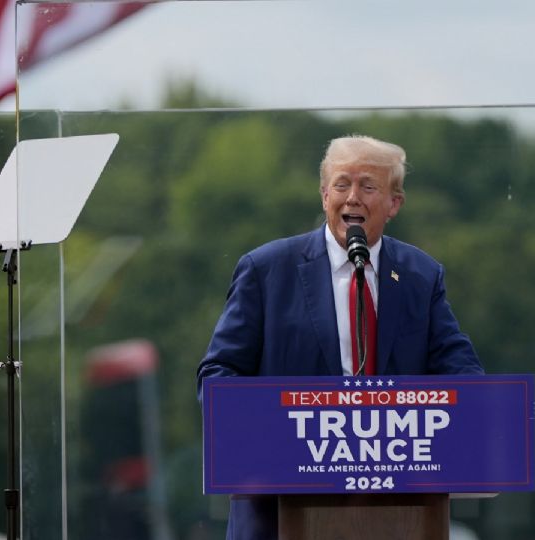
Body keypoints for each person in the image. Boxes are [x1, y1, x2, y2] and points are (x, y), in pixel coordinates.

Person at [197, 135, 483, 539]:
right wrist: (272, 430)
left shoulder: (421, 275)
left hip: (395, 513)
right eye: (342, 184)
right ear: (324, 193)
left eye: (368, 186)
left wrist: (479, 413)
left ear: (394, 203)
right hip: (277, 516)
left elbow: (461, 373)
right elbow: (218, 374)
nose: (353, 198)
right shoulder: (266, 270)